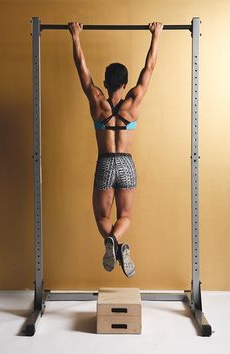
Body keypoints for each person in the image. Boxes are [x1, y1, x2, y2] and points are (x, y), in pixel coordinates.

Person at [68, 21, 163, 278]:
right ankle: (117, 244)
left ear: (105, 82)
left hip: (105, 163)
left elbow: (81, 68)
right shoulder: (133, 101)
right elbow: (150, 66)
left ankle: (112, 243)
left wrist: (76, 36)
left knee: (101, 216)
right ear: (125, 83)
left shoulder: (97, 101)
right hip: (127, 165)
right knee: (126, 216)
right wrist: (156, 35)